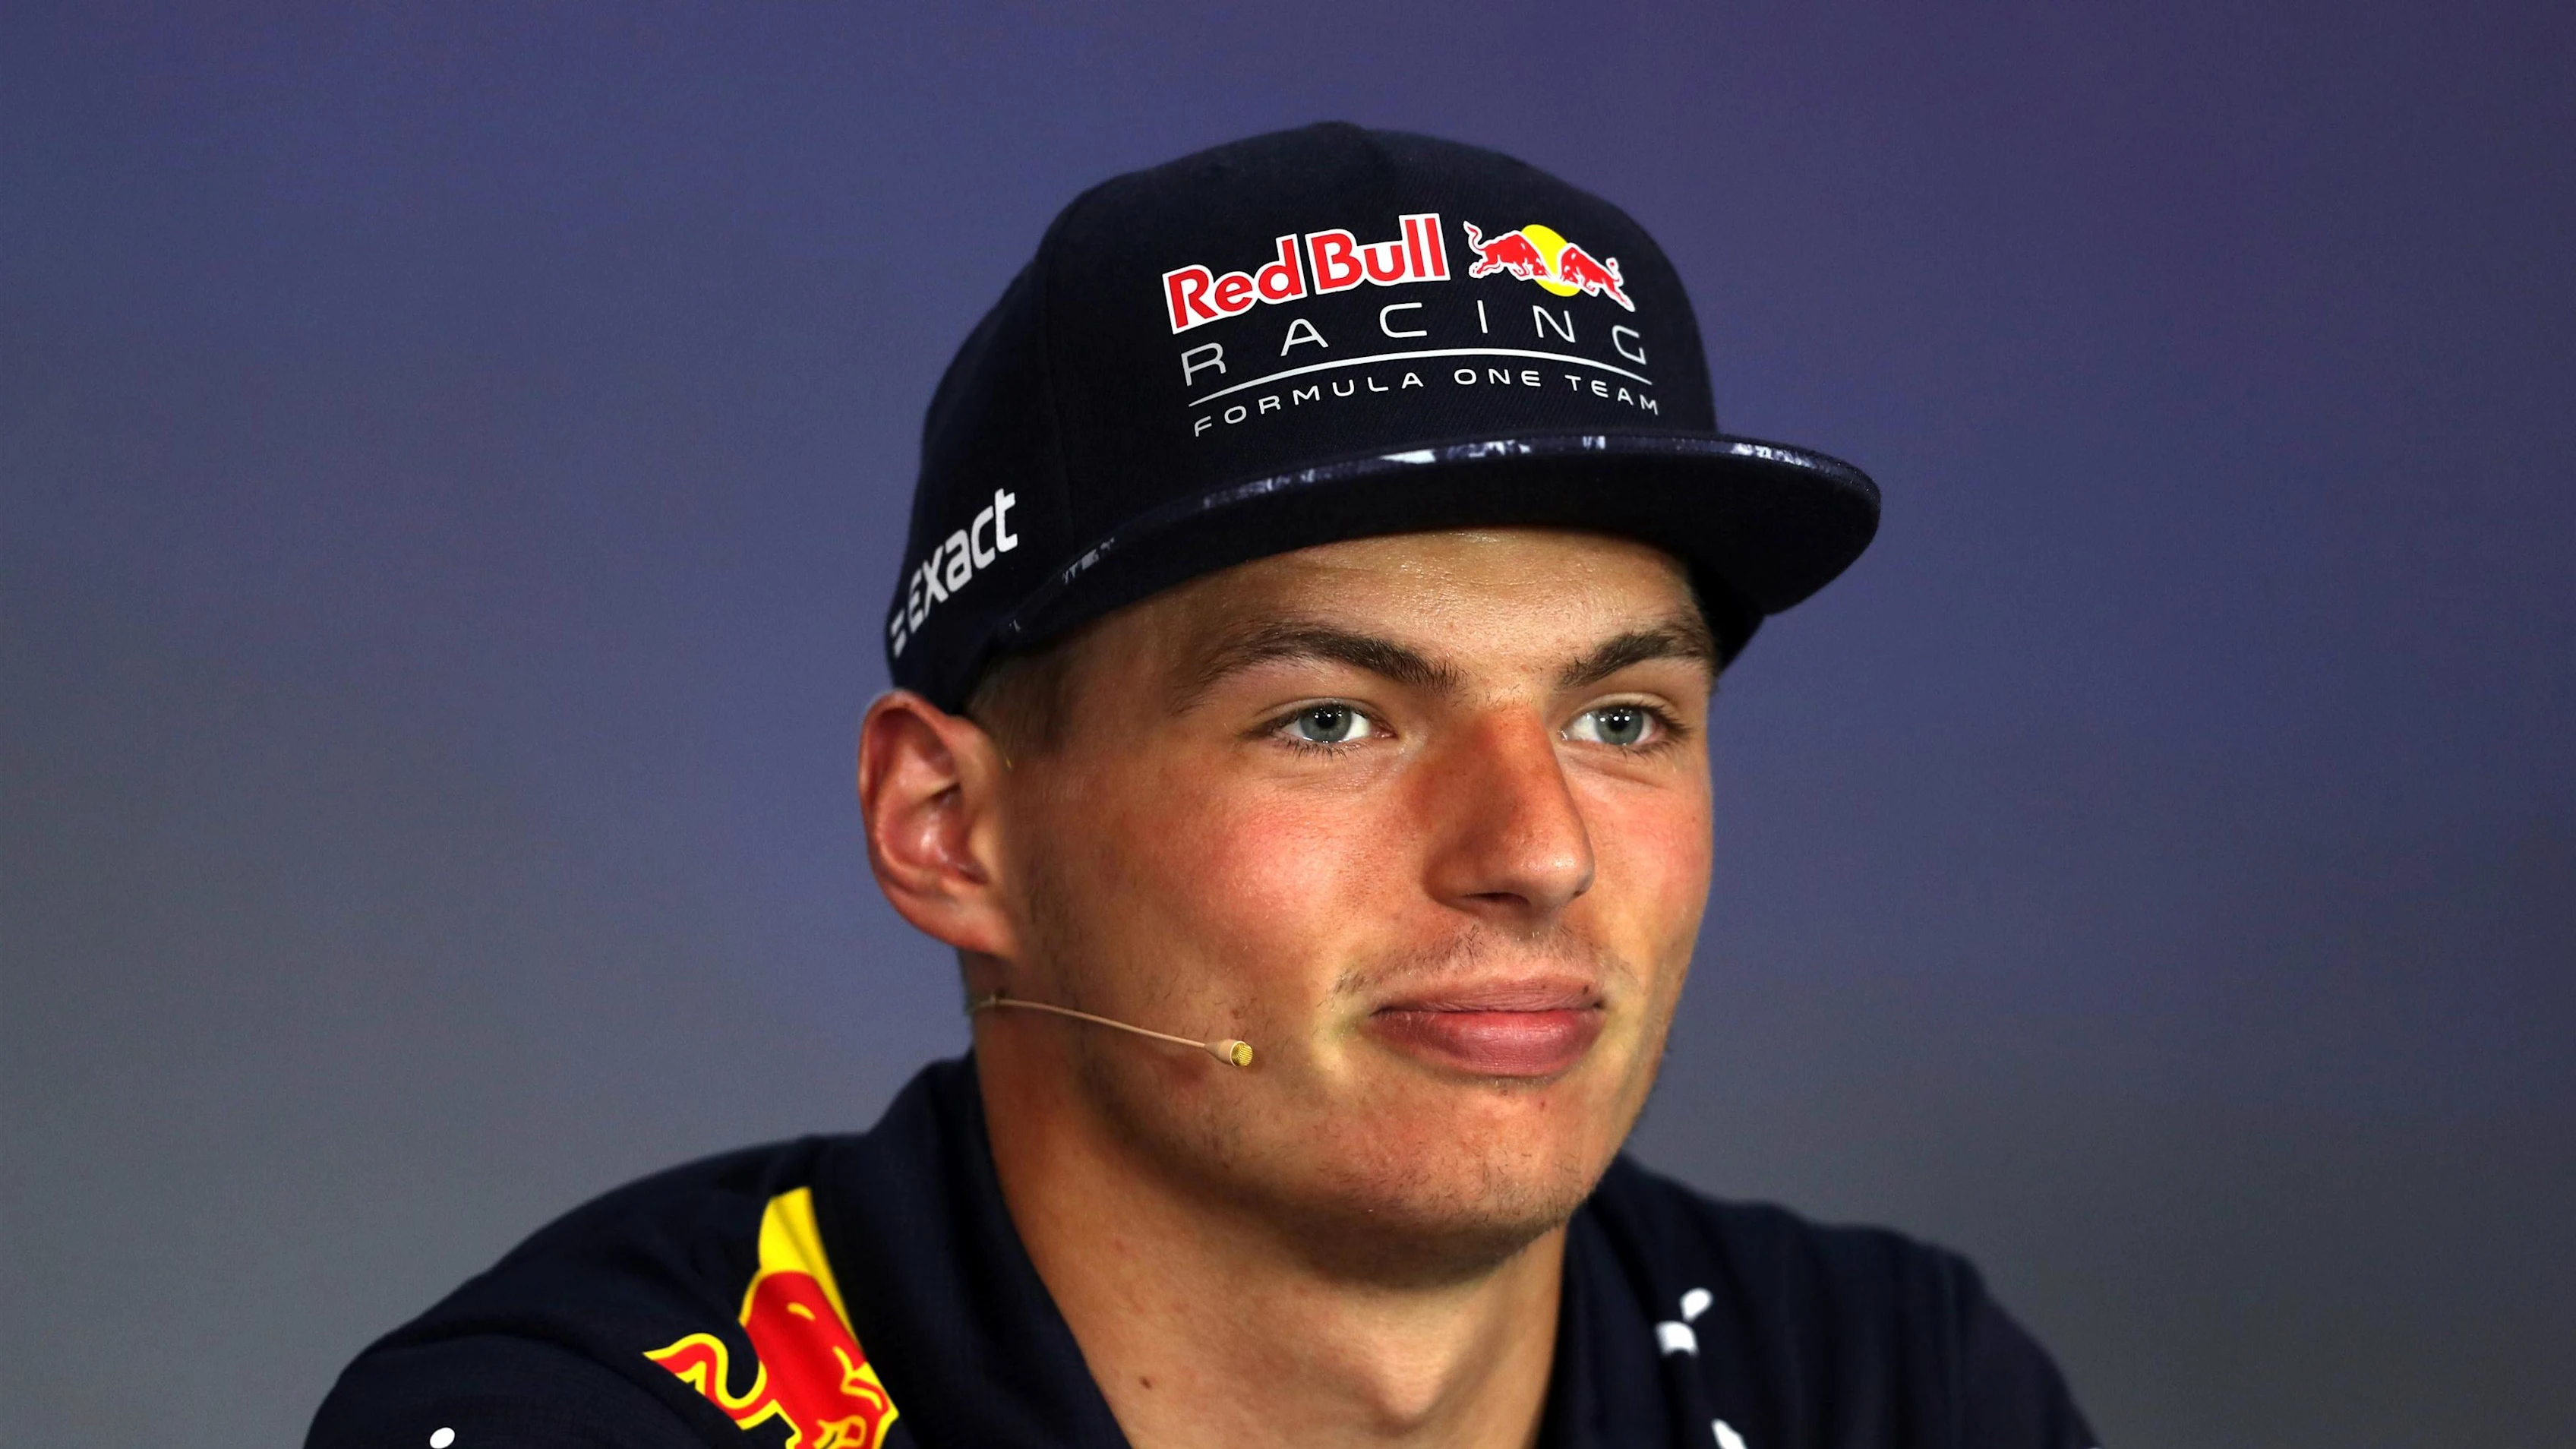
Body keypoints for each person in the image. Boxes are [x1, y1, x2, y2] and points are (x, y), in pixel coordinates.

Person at [308, 122, 2098, 1449]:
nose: (1535, 850)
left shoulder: (1878, 1389)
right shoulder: (574, 1424)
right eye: (1330, 718)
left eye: (1621, 717)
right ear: (948, 829)